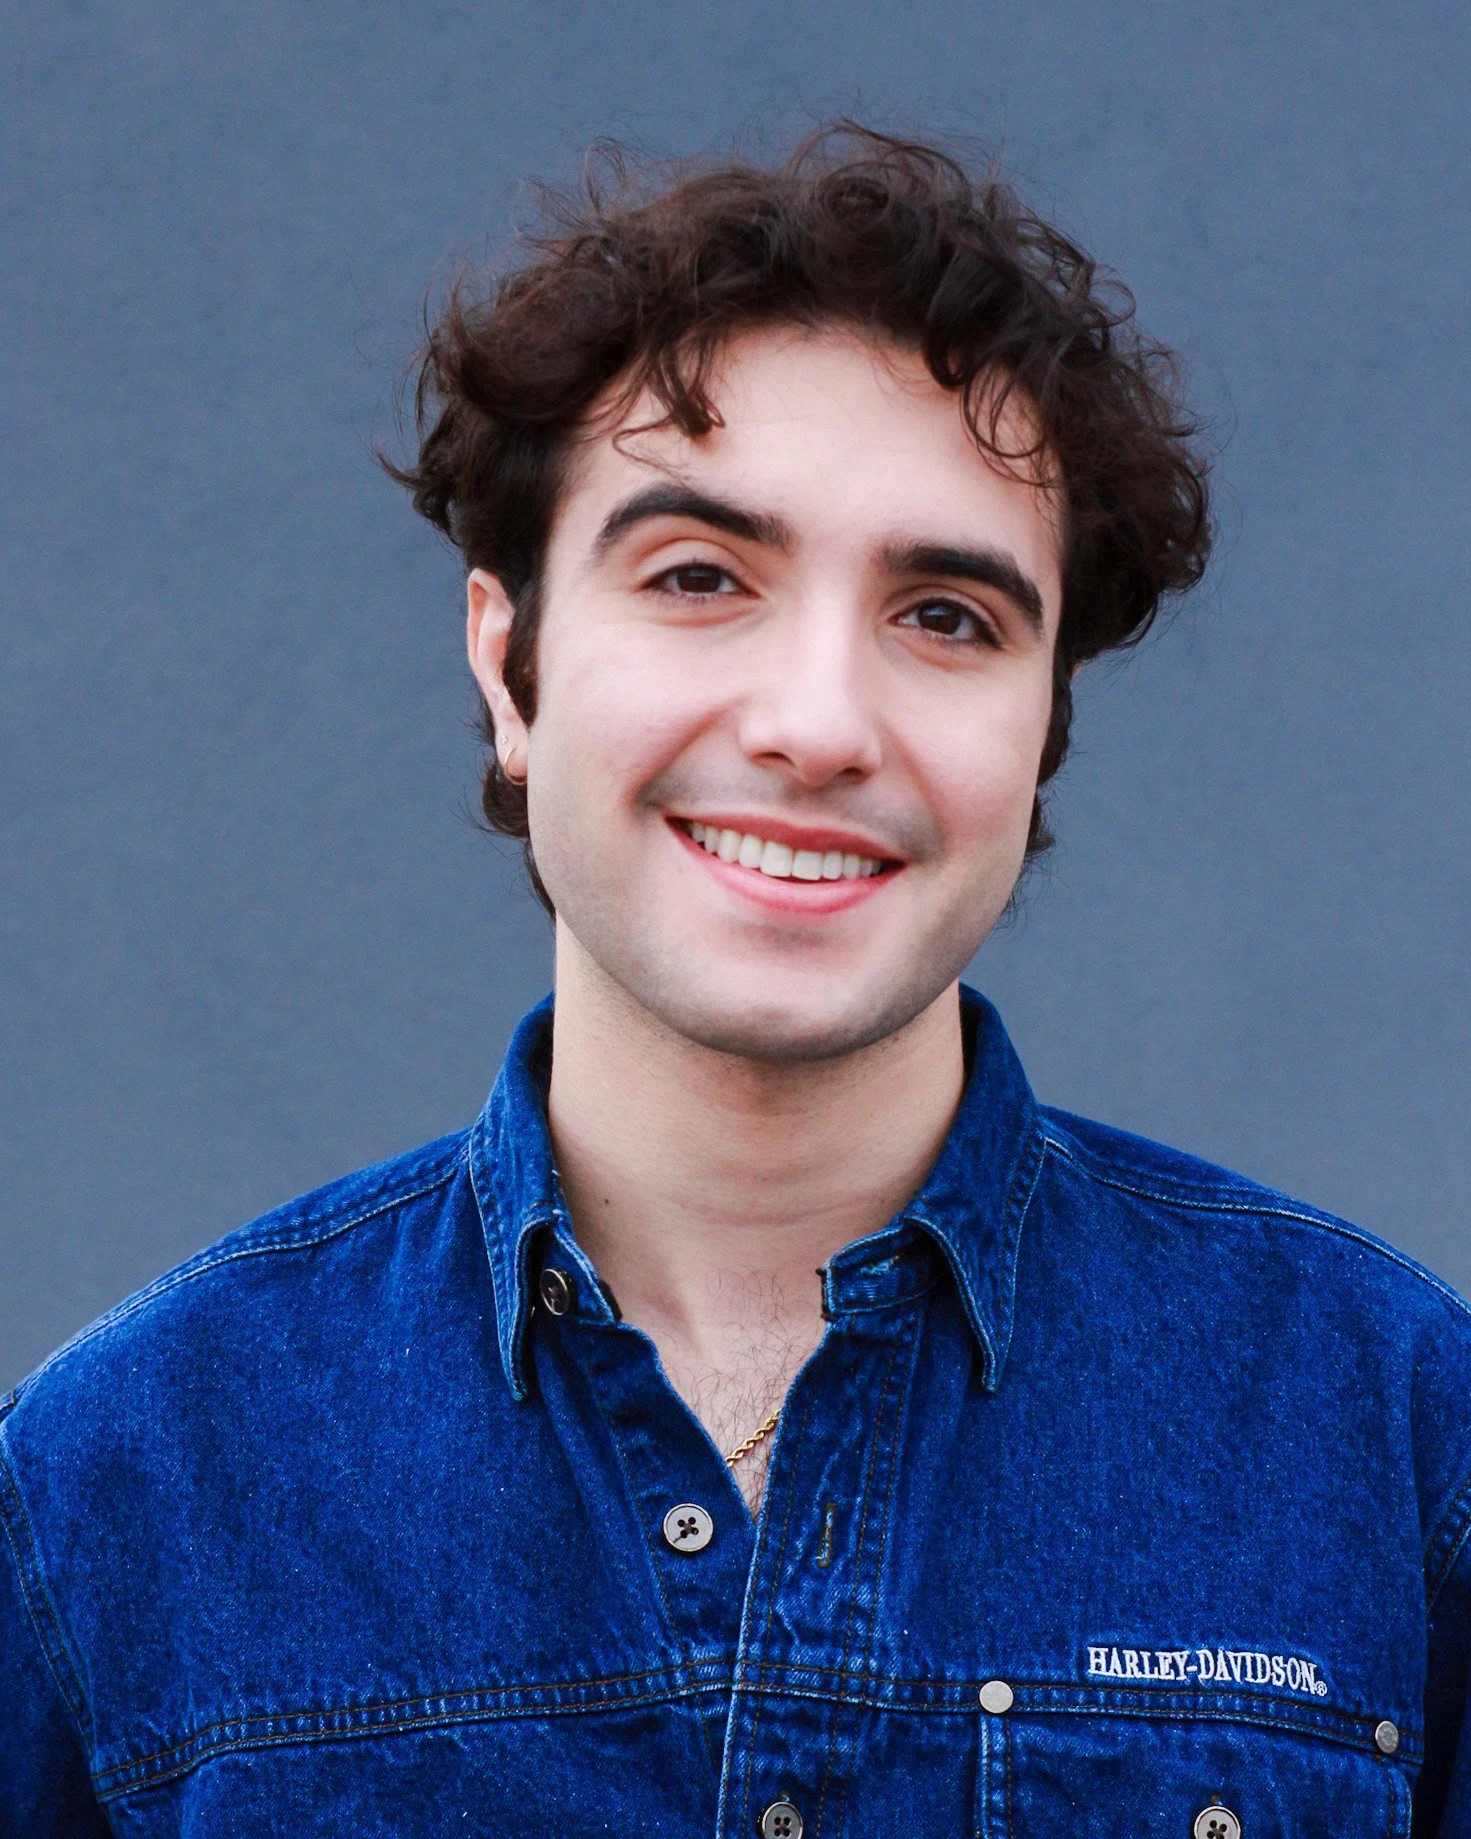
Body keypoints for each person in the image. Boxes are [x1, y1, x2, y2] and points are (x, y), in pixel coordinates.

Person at [2, 125, 1466, 1838]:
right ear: (511, 662)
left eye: (946, 617)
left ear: (1041, 731)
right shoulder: (122, 1474)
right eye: (700, 577)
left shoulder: (1388, 1426)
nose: (819, 722)